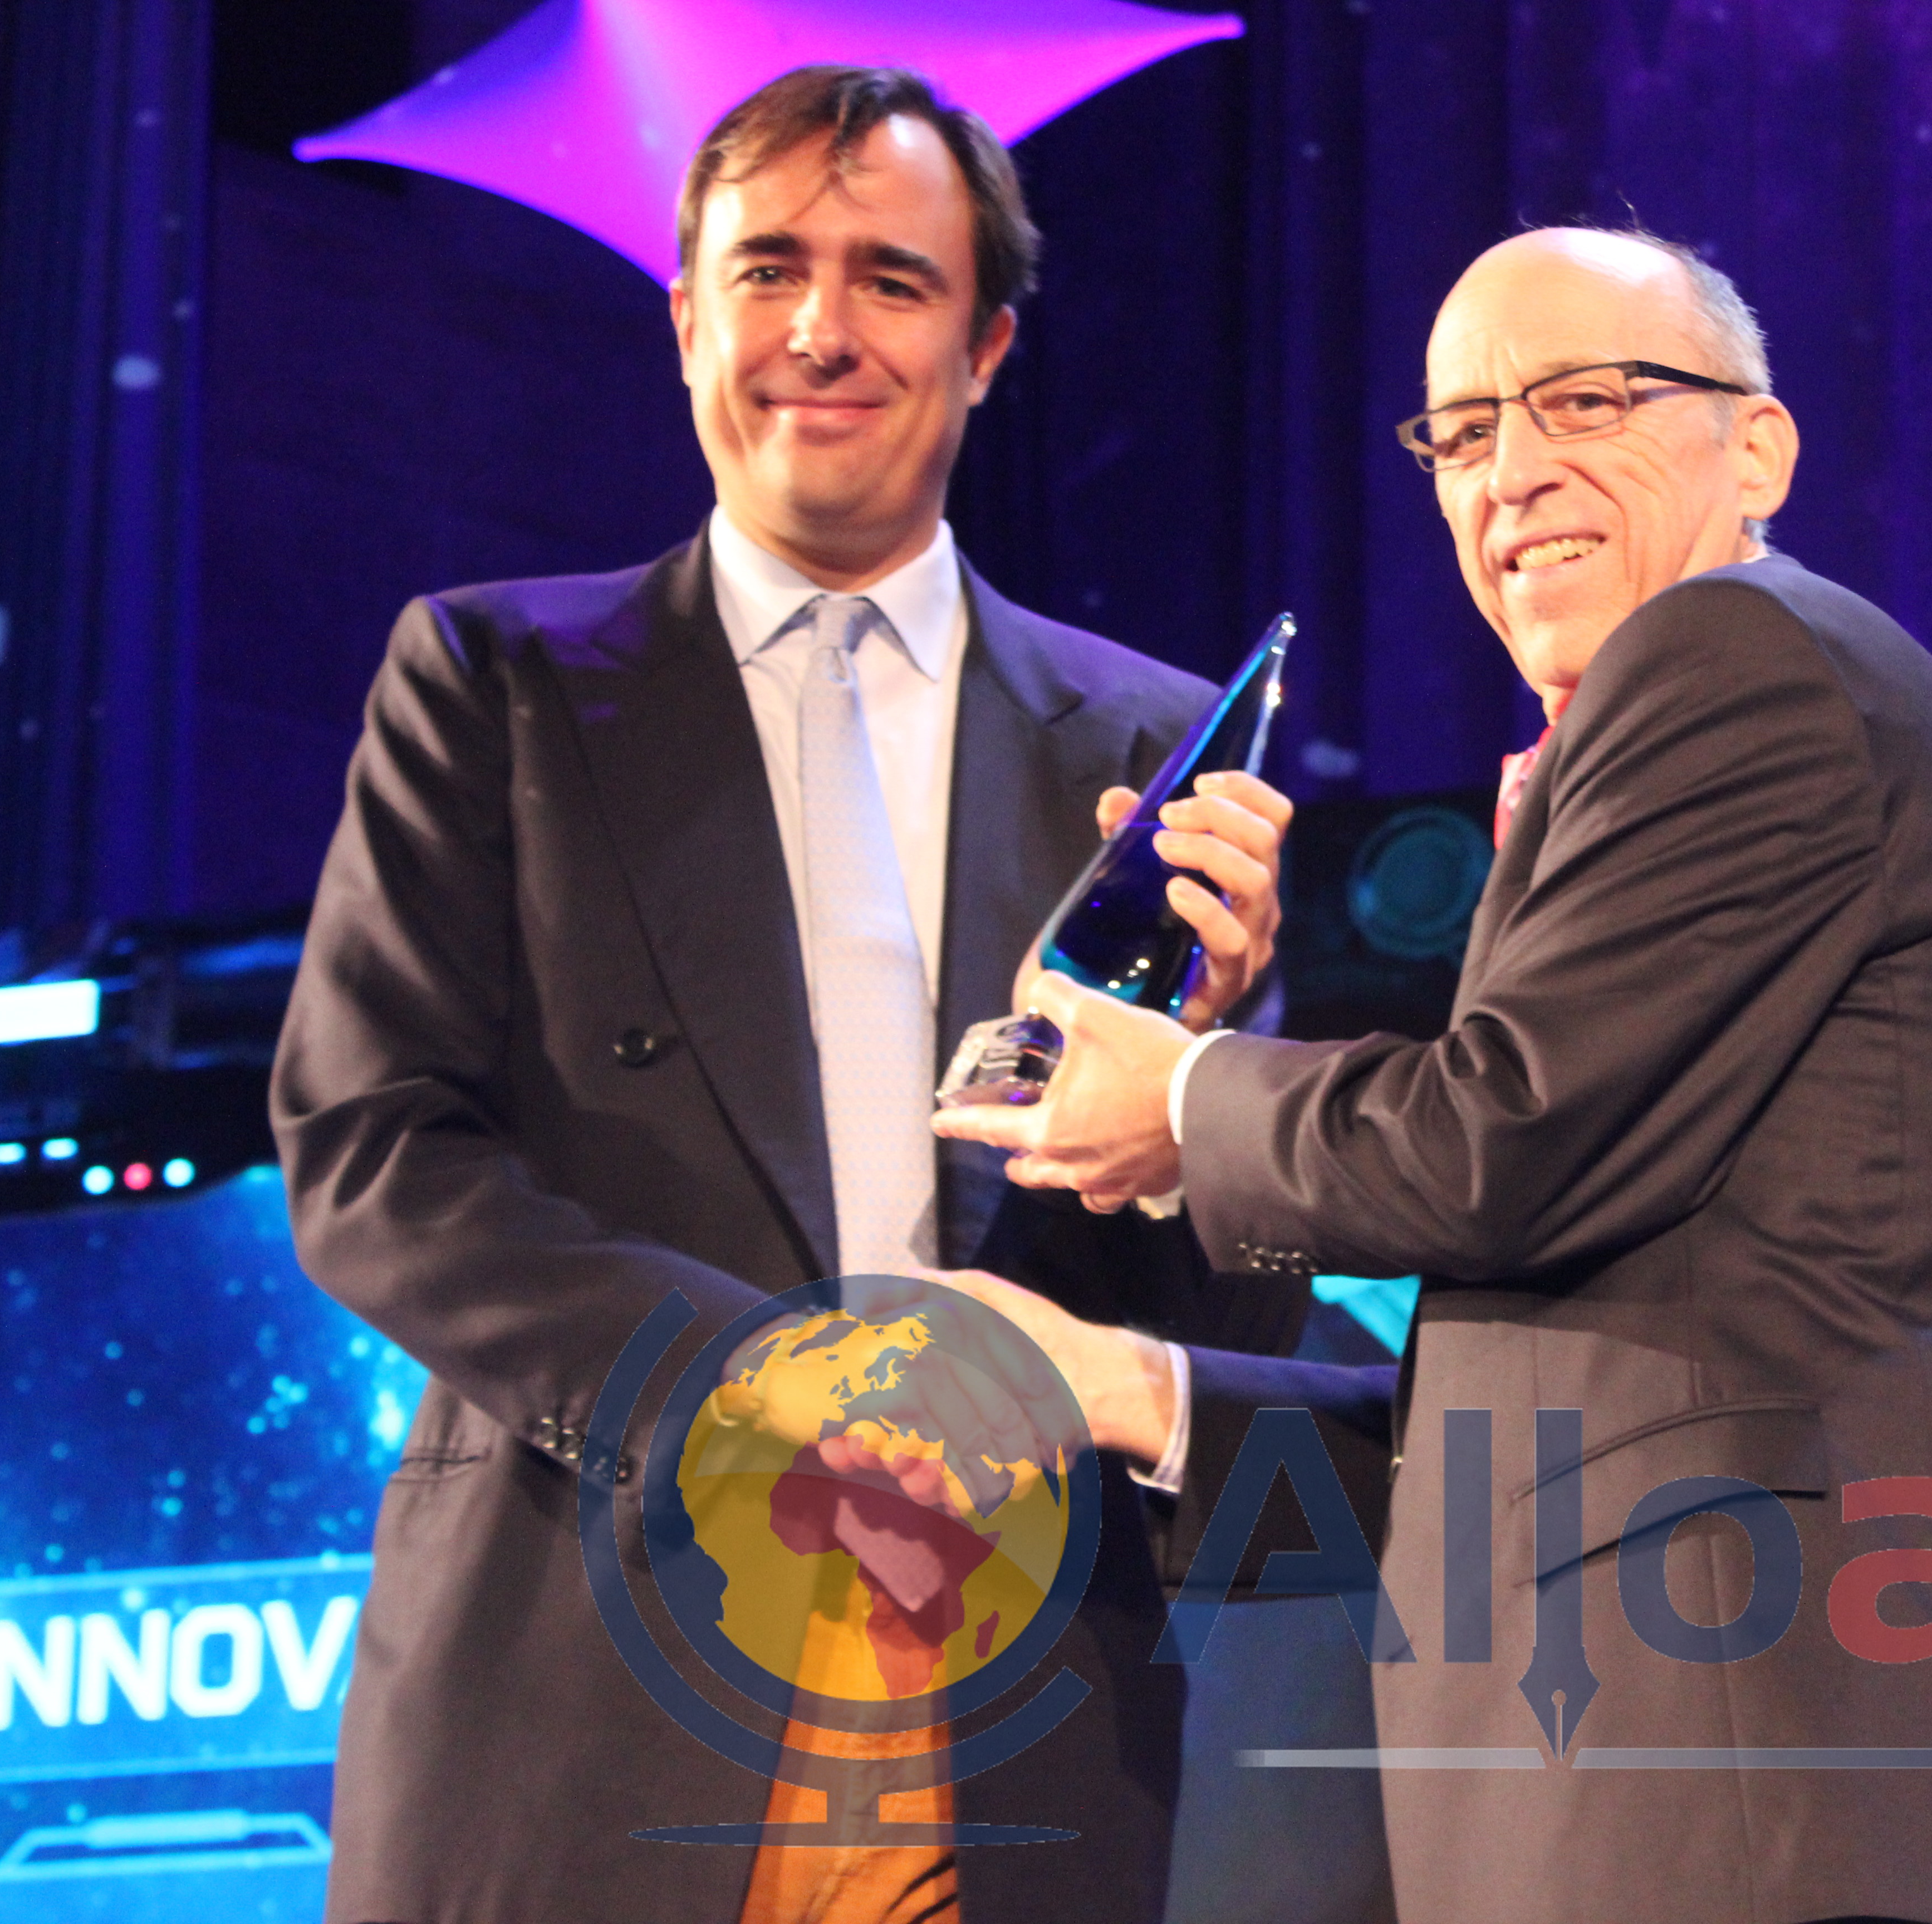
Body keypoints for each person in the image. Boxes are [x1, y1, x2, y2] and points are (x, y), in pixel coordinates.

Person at [930, 229, 1932, 1923]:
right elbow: (1557, 1417)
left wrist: (1184, 1097)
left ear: (1759, 449)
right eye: (1465, 431)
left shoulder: (1736, 654)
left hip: (1757, 1808)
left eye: (1586, 401)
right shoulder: (1685, 718)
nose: (1513, 472)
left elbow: (1494, 1142)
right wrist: (1124, 1385)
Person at [272, 66, 1300, 1924]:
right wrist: (762, 1391)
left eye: (893, 280)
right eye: (769, 271)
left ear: (985, 349)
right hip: (591, 1670)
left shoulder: (1148, 750)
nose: (822, 330)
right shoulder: (491, 683)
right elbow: (370, 1152)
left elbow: (1237, 1307)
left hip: (1020, 1704)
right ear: (687, 322)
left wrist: (1203, 1093)